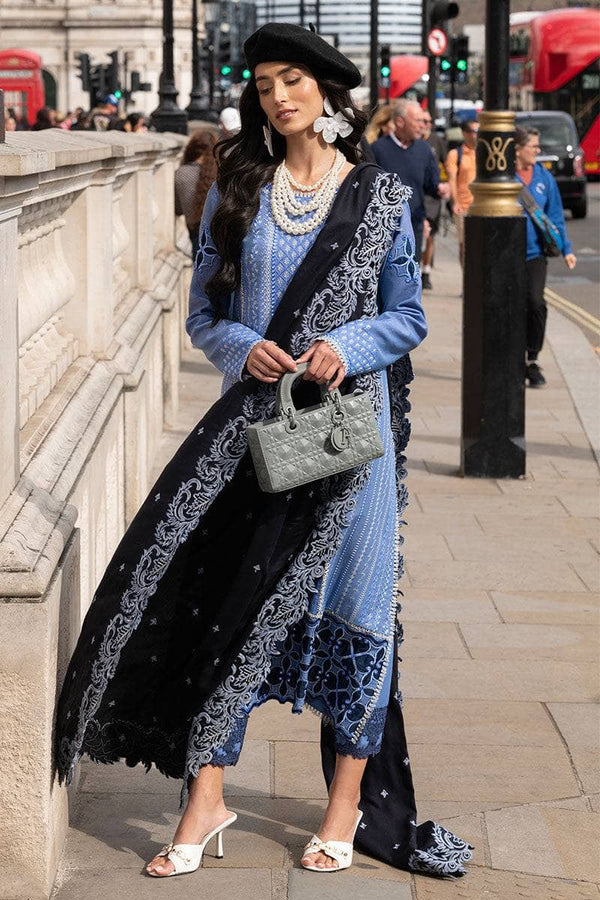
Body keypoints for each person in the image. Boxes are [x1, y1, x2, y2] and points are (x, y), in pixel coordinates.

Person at [55, 22, 471, 882]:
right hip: (256, 437)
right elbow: (203, 313)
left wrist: (346, 345)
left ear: (325, 89)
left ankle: (345, 806)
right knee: (232, 606)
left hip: (349, 444)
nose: (278, 96)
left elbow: (407, 317)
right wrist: (244, 346)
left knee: (357, 612)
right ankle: (205, 800)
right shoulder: (238, 186)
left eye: (293, 80)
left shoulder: (380, 197)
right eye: (265, 83)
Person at [515, 126, 576, 387]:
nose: (538, 151)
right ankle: (512, 358)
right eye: (534, 146)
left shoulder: (544, 178)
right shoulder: (504, 178)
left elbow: (555, 217)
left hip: (535, 254)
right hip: (507, 257)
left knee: (536, 303)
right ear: (518, 149)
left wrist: (567, 249)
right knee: (511, 307)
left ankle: (532, 359)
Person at [371, 98, 448, 264]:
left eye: (424, 121)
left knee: (410, 272)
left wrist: (440, 189)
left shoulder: (424, 149)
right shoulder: (377, 150)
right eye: (418, 121)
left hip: (414, 226)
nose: (423, 126)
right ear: (400, 122)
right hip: (384, 228)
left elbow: (431, 183)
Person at [175, 129, 219, 259]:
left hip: (195, 233)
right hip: (218, 232)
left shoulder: (180, 173)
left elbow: (178, 209)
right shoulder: (220, 174)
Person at [445, 118, 478, 266]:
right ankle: (467, 276)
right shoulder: (455, 154)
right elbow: (452, 179)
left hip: (481, 206)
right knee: (465, 245)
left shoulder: (484, 153)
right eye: (474, 131)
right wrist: (455, 202)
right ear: (465, 133)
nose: (477, 134)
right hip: (463, 206)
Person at [421, 110, 447, 290]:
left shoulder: (436, 140)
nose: (427, 125)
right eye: (424, 121)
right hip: (416, 193)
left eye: (429, 121)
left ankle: (426, 272)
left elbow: (446, 163)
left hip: (432, 195)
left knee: (430, 235)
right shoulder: (412, 140)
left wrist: (446, 184)